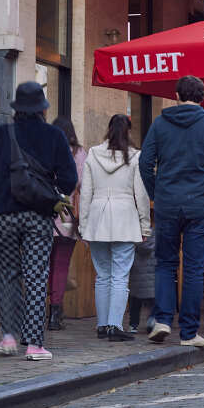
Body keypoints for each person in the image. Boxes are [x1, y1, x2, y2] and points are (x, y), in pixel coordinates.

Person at [0, 82, 78, 361]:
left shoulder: (0, 134)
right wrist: (53, 197)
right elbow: (69, 177)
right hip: (38, 216)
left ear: (17, 109)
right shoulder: (54, 136)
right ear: (43, 109)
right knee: (36, 275)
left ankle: (8, 337)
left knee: (8, 274)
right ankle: (34, 344)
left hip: (4, 216)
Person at [140, 75, 204, 347]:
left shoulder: (160, 124)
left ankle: (161, 320)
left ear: (176, 95)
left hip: (167, 203)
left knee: (165, 263)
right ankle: (188, 333)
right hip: (199, 204)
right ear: (202, 97)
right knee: (194, 268)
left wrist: (155, 193)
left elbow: (145, 163)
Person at [79, 114, 151, 342]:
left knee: (102, 276)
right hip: (125, 217)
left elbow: (86, 193)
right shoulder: (136, 157)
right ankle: (114, 325)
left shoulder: (92, 154)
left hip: (98, 217)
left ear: (108, 129)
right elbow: (140, 194)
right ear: (128, 132)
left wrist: (83, 224)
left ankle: (102, 325)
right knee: (120, 276)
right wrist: (145, 225)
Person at [48, 116, 87, 331]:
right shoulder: (78, 153)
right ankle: (55, 314)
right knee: (61, 266)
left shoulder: (44, 148)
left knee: (41, 265)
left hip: (44, 214)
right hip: (66, 216)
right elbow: (82, 184)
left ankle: (37, 312)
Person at [128, 217, 156, 334]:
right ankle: (152, 320)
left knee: (135, 301)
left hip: (136, 273)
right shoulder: (155, 233)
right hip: (152, 274)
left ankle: (133, 325)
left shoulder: (133, 233)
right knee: (154, 300)